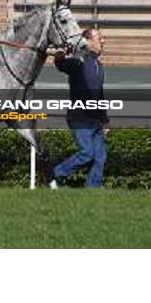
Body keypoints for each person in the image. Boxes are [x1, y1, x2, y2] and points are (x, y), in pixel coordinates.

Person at [50, 28, 108, 188]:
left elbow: (99, 95)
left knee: (100, 157)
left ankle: (93, 188)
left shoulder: (99, 66)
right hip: (79, 119)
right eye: (100, 38)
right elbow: (61, 64)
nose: (103, 41)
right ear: (88, 42)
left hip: (95, 121)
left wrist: (104, 121)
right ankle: (56, 173)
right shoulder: (79, 61)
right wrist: (60, 55)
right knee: (87, 153)